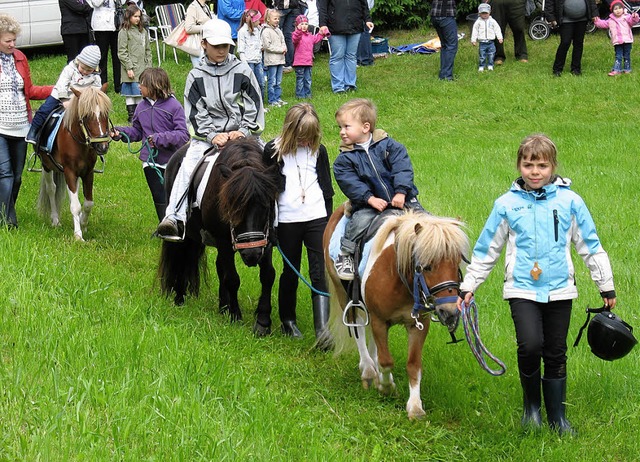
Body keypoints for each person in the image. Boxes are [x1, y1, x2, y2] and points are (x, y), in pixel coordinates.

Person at [457, 134, 616, 435]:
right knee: (530, 346)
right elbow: (487, 248)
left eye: (542, 165)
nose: (534, 171)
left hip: (560, 289)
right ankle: (531, 408)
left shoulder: (571, 201)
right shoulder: (506, 205)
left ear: (553, 166)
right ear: (518, 165)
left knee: (556, 351)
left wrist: (605, 285)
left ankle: (557, 417)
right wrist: (469, 284)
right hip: (522, 288)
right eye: (528, 164)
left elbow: (590, 245)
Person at [156, 18, 264, 241]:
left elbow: (254, 104)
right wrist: (213, 135)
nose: (222, 51)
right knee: (186, 166)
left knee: (271, 164)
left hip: (242, 135)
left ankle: (277, 220)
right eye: (216, 46)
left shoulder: (243, 70)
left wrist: (243, 130)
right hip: (206, 137)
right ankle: (174, 217)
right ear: (204, 44)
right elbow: (195, 111)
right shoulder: (195, 76)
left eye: (225, 46)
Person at [263, 103, 334, 345]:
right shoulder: (273, 151)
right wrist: (271, 226)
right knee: (290, 270)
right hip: (287, 220)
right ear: (291, 131)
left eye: (311, 137)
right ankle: (288, 321)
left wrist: (329, 221)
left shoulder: (319, 151)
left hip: (316, 218)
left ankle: (323, 329)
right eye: (302, 137)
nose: (306, 142)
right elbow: (268, 191)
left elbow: (327, 188)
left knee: (319, 272)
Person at [332, 98, 424, 280]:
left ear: (365, 127)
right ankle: (346, 253)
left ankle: (432, 256)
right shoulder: (344, 159)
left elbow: (402, 167)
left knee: (425, 223)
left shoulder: (390, 146)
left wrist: (401, 191)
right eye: (340, 127)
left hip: (402, 199)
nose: (342, 132)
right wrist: (369, 198)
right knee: (358, 222)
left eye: (346, 126)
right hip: (369, 205)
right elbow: (350, 183)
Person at [111, 68, 189, 222]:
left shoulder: (174, 106)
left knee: (174, 195)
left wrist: (159, 138)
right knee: (158, 196)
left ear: (154, 85)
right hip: (150, 161)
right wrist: (120, 133)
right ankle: (165, 225)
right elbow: (137, 131)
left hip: (172, 160)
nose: (139, 86)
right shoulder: (141, 107)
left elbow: (183, 134)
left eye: (142, 83)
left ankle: (179, 224)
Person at [0, 14, 53, 228]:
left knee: (18, 178)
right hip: (0, 127)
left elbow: (29, 91)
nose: (12, 44)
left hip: (21, 125)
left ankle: (5, 210)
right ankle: (8, 220)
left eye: (14, 40)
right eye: (7, 41)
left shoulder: (20, 57)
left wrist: (56, 90)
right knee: (5, 174)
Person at [25, 45, 104, 145]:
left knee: (96, 116)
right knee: (44, 110)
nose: (84, 72)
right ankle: (33, 131)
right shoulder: (69, 69)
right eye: (83, 68)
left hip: (81, 100)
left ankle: (97, 135)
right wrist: (64, 100)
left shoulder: (96, 77)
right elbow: (62, 84)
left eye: (89, 70)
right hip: (61, 95)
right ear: (78, 61)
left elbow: (97, 90)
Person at [318, 0, 373, 93]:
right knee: (337, 56)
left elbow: (364, 4)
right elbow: (322, 7)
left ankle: (350, 84)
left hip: (355, 26)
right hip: (335, 27)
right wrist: (322, 24)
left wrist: (367, 19)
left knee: (351, 56)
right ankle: (338, 87)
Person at [118, 3, 151, 122]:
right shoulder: (124, 32)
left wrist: (149, 67)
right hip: (130, 68)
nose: (137, 19)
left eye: (139, 16)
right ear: (129, 16)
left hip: (142, 68)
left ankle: (140, 115)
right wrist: (129, 67)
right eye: (135, 16)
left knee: (140, 92)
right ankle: (131, 116)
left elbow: (148, 50)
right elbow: (122, 52)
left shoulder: (143, 32)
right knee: (131, 93)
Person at [545, 0, 598, 76]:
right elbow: (549, 2)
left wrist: (594, 13)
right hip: (565, 20)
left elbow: (591, 1)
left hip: (582, 19)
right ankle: (557, 69)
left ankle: (576, 69)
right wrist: (551, 17)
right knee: (565, 43)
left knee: (579, 43)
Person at [594, 0, 640, 75]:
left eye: (619, 8)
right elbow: (603, 24)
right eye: (615, 9)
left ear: (623, 9)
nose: (618, 10)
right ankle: (616, 69)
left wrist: (635, 17)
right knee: (618, 55)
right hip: (617, 41)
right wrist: (596, 21)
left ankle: (627, 68)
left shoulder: (627, 17)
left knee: (626, 55)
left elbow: (633, 22)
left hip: (627, 40)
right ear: (612, 11)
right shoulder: (610, 20)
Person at [87, 0, 122, 93]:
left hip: (116, 23)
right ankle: (102, 84)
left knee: (117, 56)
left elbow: (121, 2)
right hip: (100, 25)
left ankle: (119, 85)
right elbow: (96, 3)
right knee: (102, 57)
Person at [291, 14, 329, 99]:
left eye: (306, 24)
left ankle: (308, 95)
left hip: (308, 62)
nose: (304, 26)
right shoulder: (296, 35)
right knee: (300, 80)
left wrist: (321, 34)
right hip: (299, 62)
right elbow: (295, 39)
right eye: (301, 24)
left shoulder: (309, 35)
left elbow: (316, 39)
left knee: (307, 80)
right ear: (297, 26)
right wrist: (299, 31)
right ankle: (300, 95)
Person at [237, 9, 265, 108]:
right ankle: (250, 105)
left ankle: (260, 105)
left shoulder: (258, 30)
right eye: (258, 20)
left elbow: (259, 42)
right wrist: (244, 63)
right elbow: (241, 49)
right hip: (248, 62)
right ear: (253, 21)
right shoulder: (242, 31)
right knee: (250, 84)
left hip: (258, 61)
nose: (260, 22)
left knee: (261, 83)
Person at [262, 9, 287, 108]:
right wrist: (280, 49)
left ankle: (278, 98)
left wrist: (284, 48)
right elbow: (267, 46)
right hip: (271, 60)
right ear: (268, 19)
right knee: (272, 81)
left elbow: (283, 41)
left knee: (278, 81)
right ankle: (272, 100)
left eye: (278, 18)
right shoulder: (266, 31)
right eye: (275, 18)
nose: (277, 20)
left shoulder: (278, 30)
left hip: (280, 59)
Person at [492, 0, 529, 65]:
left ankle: (521, 54)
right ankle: (498, 56)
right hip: (497, 2)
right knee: (497, 28)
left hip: (517, 3)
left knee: (519, 28)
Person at [429, 0, 458, 81]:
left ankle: (443, 74)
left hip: (434, 15)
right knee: (451, 46)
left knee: (445, 45)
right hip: (446, 15)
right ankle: (447, 76)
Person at [272, 0, 304, 72]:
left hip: (282, 6)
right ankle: (289, 63)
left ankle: (276, 62)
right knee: (289, 35)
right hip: (294, 6)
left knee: (276, 33)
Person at [59, 0, 94, 64]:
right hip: (71, 31)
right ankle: (72, 73)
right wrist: (89, 8)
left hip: (83, 30)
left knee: (84, 58)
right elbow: (79, 8)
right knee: (73, 59)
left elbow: (85, 6)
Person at [471, 3, 504, 72]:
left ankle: (490, 65)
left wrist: (500, 37)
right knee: (482, 56)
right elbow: (475, 31)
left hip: (491, 42)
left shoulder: (492, 21)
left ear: (489, 12)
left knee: (491, 54)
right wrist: (473, 40)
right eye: (483, 13)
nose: (485, 15)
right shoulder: (478, 22)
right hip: (482, 43)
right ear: (479, 13)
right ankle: (481, 66)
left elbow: (497, 29)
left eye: (486, 13)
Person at [185, 0, 215, 67]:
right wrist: (206, 27)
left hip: (206, 44)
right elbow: (188, 28)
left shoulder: (205, 6)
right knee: (200, 73)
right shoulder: (193, 7)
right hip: (197, 46)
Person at [357, 0, 375, 66]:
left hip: (360, 10)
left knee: (363, 33)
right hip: (363, 9)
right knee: (365, 33)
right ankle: (368, 59)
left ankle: (363, 59)